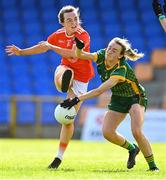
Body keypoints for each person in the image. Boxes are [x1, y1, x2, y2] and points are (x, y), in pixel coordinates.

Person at [5, 5, 94, 169]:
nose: (74, 22)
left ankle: (58, 157)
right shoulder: (57, 35)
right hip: (66, 69)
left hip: (82, 78)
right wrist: (21, 52)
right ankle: (63, 83)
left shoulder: (83, 35)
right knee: (64, 70)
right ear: (62, 23)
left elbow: (73, 55)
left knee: (67, 119)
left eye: (75, 19)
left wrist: (52, 47)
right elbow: (42, 47)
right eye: (69, 20)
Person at [61, 37, 159, 171]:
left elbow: (100, 90)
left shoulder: (121, 69)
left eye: (114, 50)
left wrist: (77, 99)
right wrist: (79, 48)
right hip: (118, 98)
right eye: (109, 48)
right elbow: (81, 55)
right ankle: (132, 149)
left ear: (120, 55)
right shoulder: (102, 55)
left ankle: (153, 167)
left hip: (135, 98)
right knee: (107, 132)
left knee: (136, 131)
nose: (110, 51)